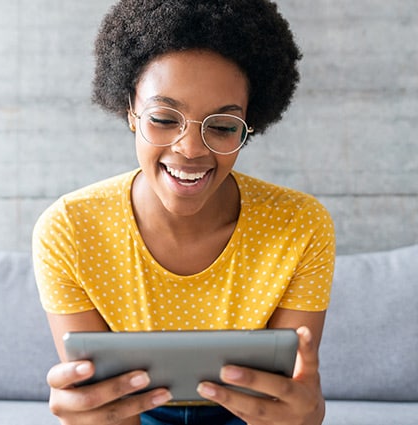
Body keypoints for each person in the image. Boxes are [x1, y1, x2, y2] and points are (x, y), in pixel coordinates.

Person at [32, 1, 335, 424]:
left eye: (223, 126)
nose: (190, 149)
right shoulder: (69, 229)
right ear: (131, 111)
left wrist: (306, 415)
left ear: (249, 126)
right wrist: (91, 414)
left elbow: (285, 398)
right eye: (163, 118)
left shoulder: (299, 225)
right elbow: (107, 405)